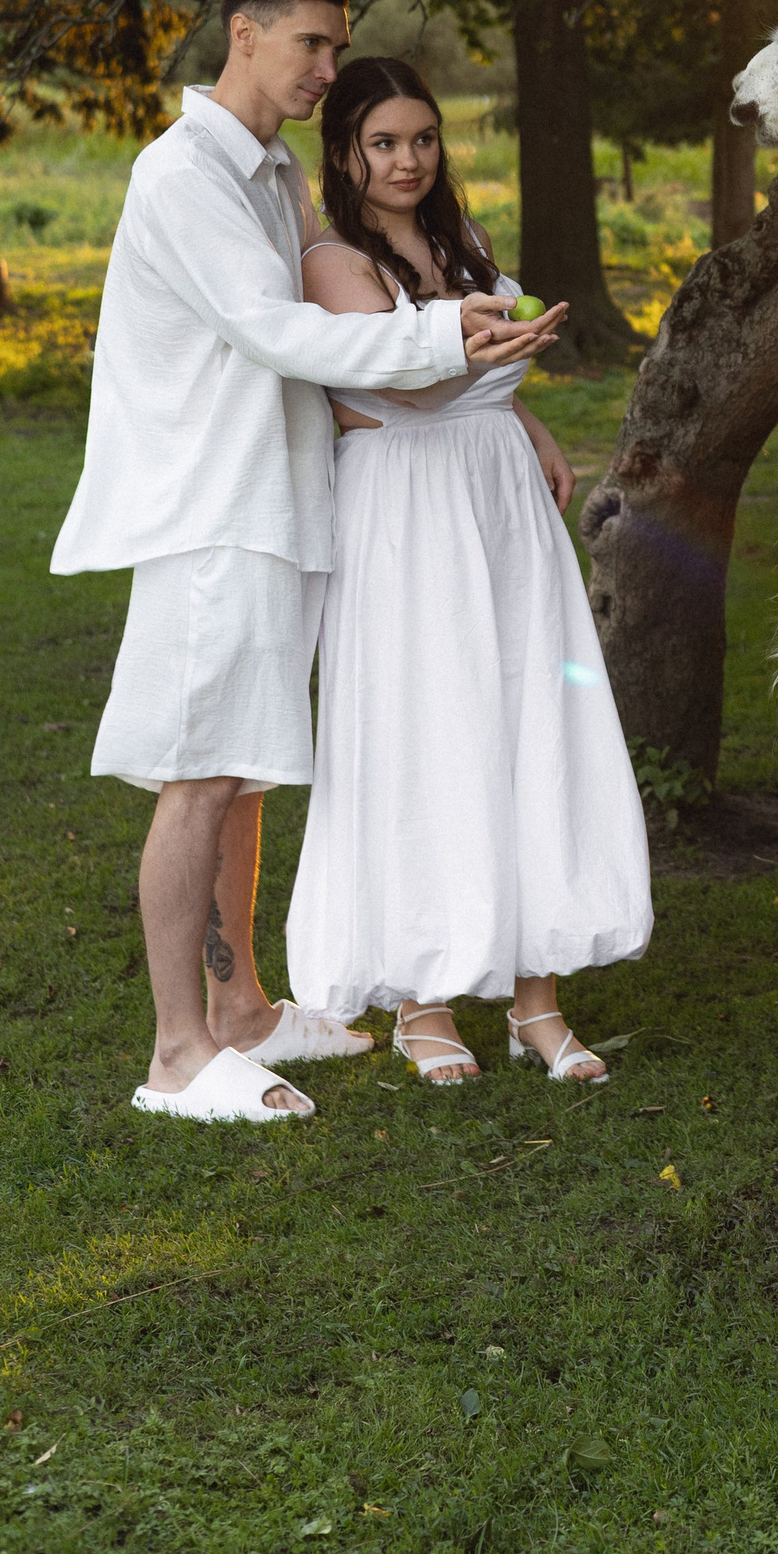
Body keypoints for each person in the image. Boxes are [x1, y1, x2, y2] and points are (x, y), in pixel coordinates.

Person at [52, 0, 558, 1125]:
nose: (329, 69)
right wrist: (444, 341)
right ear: (246, 33)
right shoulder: (183, 174)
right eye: (313, 45)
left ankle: (241, 1012)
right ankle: (179, 1055)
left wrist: (489, 394)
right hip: (211, 512)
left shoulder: (271, 170)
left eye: (338, 48)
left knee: (245, 773)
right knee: (199, 774)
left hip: (280, 503)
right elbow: (276, 331)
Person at [285, 57, 650, 1083]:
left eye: (423, 139)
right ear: (345, 152)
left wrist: (526, 422)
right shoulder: (332, 261)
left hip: (495, 495)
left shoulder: (462, 238)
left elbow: (480, 373)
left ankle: (537, 1000)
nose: (408, 160)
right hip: (407, 504)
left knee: (529, 715)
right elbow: (394, 392)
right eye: (384, 143)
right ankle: (423, 997)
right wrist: (493, 358)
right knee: (428, 726)